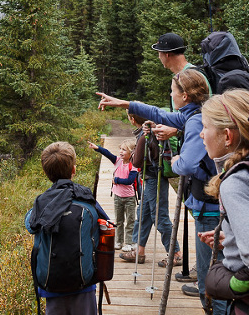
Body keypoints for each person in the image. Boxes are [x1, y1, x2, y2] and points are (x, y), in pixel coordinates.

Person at [98, 68, 219, 312]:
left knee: (208, 278)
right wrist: (125, 103)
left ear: (185, 95)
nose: (170, 95)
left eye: (173, 91)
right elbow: (157, 112)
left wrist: (175, 161)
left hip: (209, 205)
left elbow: (187, 164)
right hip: (205, 200)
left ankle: (212, 306)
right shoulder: (193, 113)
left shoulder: (196, 120)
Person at [198, 90, 249, 311]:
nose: (201, 134)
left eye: (205, 127)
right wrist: (234, 239)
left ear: (227, 136)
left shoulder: (235, 183)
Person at [25, 141, 110, 315]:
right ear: (74, 170)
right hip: (83, 285)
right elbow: (106, 225)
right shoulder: (87, 202)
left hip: (52, 286)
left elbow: (30, 225)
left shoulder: (42, 204)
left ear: (46, 173)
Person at [121, 112, 181, 265]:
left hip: (154, 179)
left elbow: (136, 162)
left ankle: (175, 253)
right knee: (143, 215)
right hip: (152, 179)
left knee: (159, 216)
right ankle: (139, 251)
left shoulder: (145, 135)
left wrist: (135, 151)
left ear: (132, 119)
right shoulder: (151, 131)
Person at [88, 138, 138, 251]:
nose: (121, 152)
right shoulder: (117, 161)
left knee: (130, 221)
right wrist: (97, 148)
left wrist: (117, 180)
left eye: (124, 150)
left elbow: (130, 181)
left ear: (131, 153)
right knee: (119, 221)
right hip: (118, 197)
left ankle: (129, 243)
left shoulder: (133, 165)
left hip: (130, 198)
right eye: (120, 149)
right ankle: (119, 242)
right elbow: (107, 153)